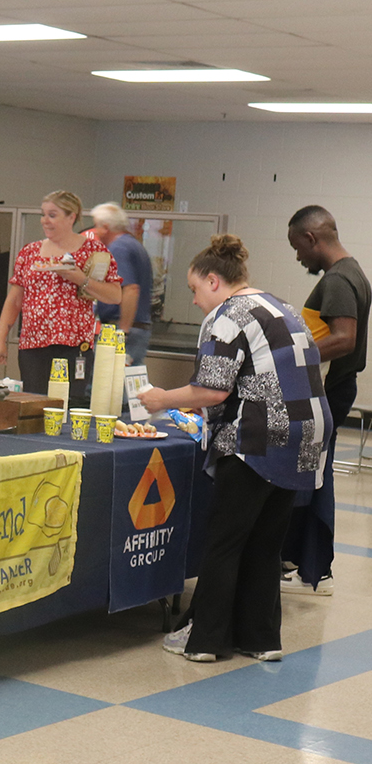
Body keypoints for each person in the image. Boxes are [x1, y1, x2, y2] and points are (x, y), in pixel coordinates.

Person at [138, 234, 329, 663]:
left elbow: (211, 390)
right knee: (266, 543)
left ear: (212, 281)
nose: (195, 300)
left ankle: (205, 640)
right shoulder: (283, 306)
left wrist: (161, 398)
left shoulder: (229, 315)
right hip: (307, 434)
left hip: (260, 436)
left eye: (193, 289)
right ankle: (261, 639)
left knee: (225, 541)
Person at [281, 205, 370, 596]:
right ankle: (305, 566)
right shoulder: (352, 273)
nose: (297, 256)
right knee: (314, 472)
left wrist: (287, 357)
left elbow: (343, 338)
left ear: (311, 238)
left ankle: (313, 573)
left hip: (329, 394)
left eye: (297, 247)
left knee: (313, 475)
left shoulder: (338, 279)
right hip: (334, 391)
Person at [0, 190, 123, 406]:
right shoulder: (30, 252)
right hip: (33, 345)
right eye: (43, 215)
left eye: (52, 215)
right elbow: (15, 300)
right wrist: (0, 340)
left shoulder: (93, 251)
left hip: (74, 345)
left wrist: (81, 278)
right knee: (35, 405)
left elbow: (115, 295)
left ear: (71, 217)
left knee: (68, 406)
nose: (45, 221)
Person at [90, 203, 152, 366]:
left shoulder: (119, 248)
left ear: (105, 227)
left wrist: (122, 332)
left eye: (97, 225)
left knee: (112, 385)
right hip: (139, 328)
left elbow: (130, 289)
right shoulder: (134, 245)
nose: (95, 231)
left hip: (122, 328)